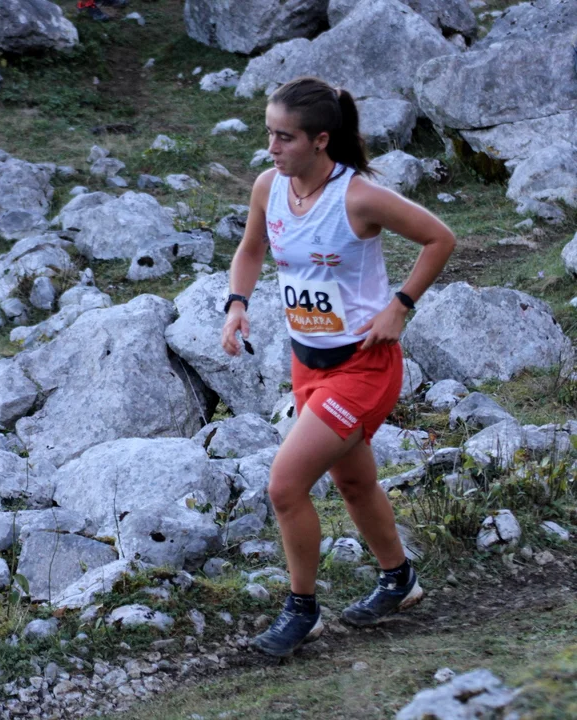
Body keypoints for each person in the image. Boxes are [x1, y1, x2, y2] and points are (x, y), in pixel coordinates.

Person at [221, 76, 456, 658]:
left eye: (284, 137)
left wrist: (399, 306)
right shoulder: (269, 186)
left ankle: (302, 611)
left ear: (320, 140)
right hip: (308, 363)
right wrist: (237, 304)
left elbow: (440, 238)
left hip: (364, 366)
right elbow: (251, 248)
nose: (272, 147)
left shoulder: (358, 197)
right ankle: (399, 580)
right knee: (353, 482)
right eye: (269, 134)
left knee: (284, 486)